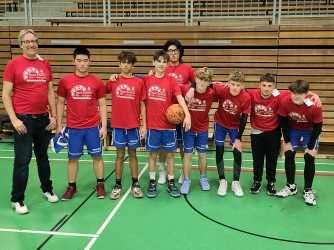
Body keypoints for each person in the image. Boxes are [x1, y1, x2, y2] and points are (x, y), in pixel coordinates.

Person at [2, 29, 59, 214]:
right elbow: (5, 94)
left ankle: (47, 189)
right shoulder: (13, 64)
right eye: (27, 41)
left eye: (34, 41)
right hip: (23, 120)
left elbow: (50, 92)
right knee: (22, 161)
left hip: (43, 119)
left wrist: (53, 116)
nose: (31, 44)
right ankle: (17, 199)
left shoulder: (45, 64)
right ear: (21, 44)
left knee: (43, 158)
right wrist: (14, 119)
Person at [56, 47, 107, 201]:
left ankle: (100, 184)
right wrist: (59, 125)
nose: (82, 64)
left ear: (89, 62)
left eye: (85, 60)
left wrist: (104, 126)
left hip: (92, 127)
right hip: (74, 128)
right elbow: (59, 103)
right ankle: (72, 186)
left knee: (97, 157)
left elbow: (103, 105)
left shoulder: (97, 82)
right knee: (72, 159)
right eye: (79, 60)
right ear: (74, 62)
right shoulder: (65, 81)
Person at [144, 50, 191, 198]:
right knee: (152, 155)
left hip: (168, 126)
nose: (161, 64)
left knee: (170, 155)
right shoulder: (147, 80)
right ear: (154, 63)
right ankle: (152, 181)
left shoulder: (171, 81)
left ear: (167, 64)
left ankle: (171, 181)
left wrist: (187, 114)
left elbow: (180, 98)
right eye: (159, 61)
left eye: (164, 62)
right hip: (153, 125)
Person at [276, 80, 323, 206]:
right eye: (294, 93)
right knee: (289, 153)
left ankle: (308, 190)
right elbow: (283, 122)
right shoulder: (285, 101)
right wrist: (287, 141)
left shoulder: (314, 105)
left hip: (310, 131)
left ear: (306, 94)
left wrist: (311, 146)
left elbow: (318, 127)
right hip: (293, 129)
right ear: (290, 92)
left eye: (300, 94)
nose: (296, 96)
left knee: (309, 156)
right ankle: (291, 186)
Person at [107, 51, 146, 200]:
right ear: (119, 64)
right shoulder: (114, 81)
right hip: (118, 125)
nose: (125, 65)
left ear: (132, 65)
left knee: (133, 154)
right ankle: (117, 185)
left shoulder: (139, 82)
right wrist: (110, 79)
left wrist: (143, 125)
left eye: (128, 62)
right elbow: (102, 92)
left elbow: (143, 104)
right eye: (123, 62)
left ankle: (135, 184)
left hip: (133, 125)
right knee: (119, 155)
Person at [158, 39, 196, 185]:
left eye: (176, 51)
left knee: (181, 145)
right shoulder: (162, 68)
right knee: (163, 145)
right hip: (165, 113)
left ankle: (181, 172)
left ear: (180, 53)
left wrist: (192, 87)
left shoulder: (187, 68)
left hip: (181, 114)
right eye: (170, 51)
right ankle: (162, 171)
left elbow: (197, 81)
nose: (173, 54)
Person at [214, 71, 251, 197]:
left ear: (242, 86)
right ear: (228, 83)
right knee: (219, 150)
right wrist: (192, 88)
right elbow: (206, 83)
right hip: (220, 123)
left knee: (237, 152)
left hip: (235, 127)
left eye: (238, 85)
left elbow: (244, 118)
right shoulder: (221, 89)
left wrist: (238, 138)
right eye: (233, 84)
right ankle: (222, 180)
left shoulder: (245, 97)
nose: (235, 87)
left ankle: (235, 181)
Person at [180, 67, 214, 194]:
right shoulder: (186, 89)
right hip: (188, 128)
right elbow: (173, 86)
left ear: (209, 82)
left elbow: (229, 87)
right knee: (187, 154)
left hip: (203, 128)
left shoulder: (211, 92)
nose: (202, 82)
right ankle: (186, 180)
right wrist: (192, 88)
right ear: (195, 79)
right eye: (199, 79)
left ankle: (203, 178)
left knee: (202, 154)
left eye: (205, 80)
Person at [248, 73, 283, 195]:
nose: (266, 88)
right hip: (256, 132)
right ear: (259, 85)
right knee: (257, 159)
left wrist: (313, 95)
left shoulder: (279, 95)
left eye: (269, 86)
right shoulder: (252, 94)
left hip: (273, 132)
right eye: (264, 85)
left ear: (274, 87)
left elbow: (298, 93)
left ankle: (271, 182)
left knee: (271, 159)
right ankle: (257, 181)